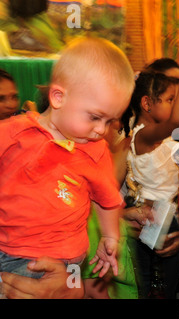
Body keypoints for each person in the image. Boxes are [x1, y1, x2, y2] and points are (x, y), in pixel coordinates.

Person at [0, 37, 135, 288]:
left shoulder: (95, 151)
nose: (101, 130)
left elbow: (107, 199)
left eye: (109, 121)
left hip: (62, 255)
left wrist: (110, 236)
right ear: (59, 97)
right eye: (95, 117)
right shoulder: (13, 132)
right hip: (8, 248)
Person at [120, 54, 179, 299]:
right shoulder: (142, 136)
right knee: (146, 286)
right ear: (147, 103)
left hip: (169, 214)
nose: (175, 105)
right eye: (170, 99)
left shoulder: (164, 141)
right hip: (149, 216)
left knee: (167, 288)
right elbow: (178, 120)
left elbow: (173, 174)